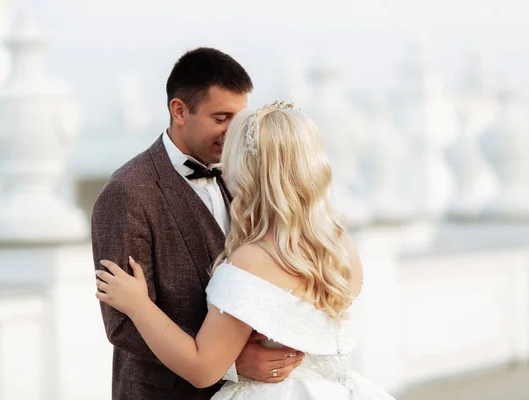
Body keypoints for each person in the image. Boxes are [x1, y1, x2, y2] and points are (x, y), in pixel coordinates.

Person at [95, 100, 396, 399]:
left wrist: (138, 304)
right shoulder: (341, 244)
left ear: (251, 172)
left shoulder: (253, 259)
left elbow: (203, 368)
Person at [91, 48, 304, 400]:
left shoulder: (241, 178)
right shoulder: (126, 192)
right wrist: (229, 360)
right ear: (179, 111)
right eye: (221, 118)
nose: (233, 133)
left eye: (240, 120)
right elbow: (122, 323)